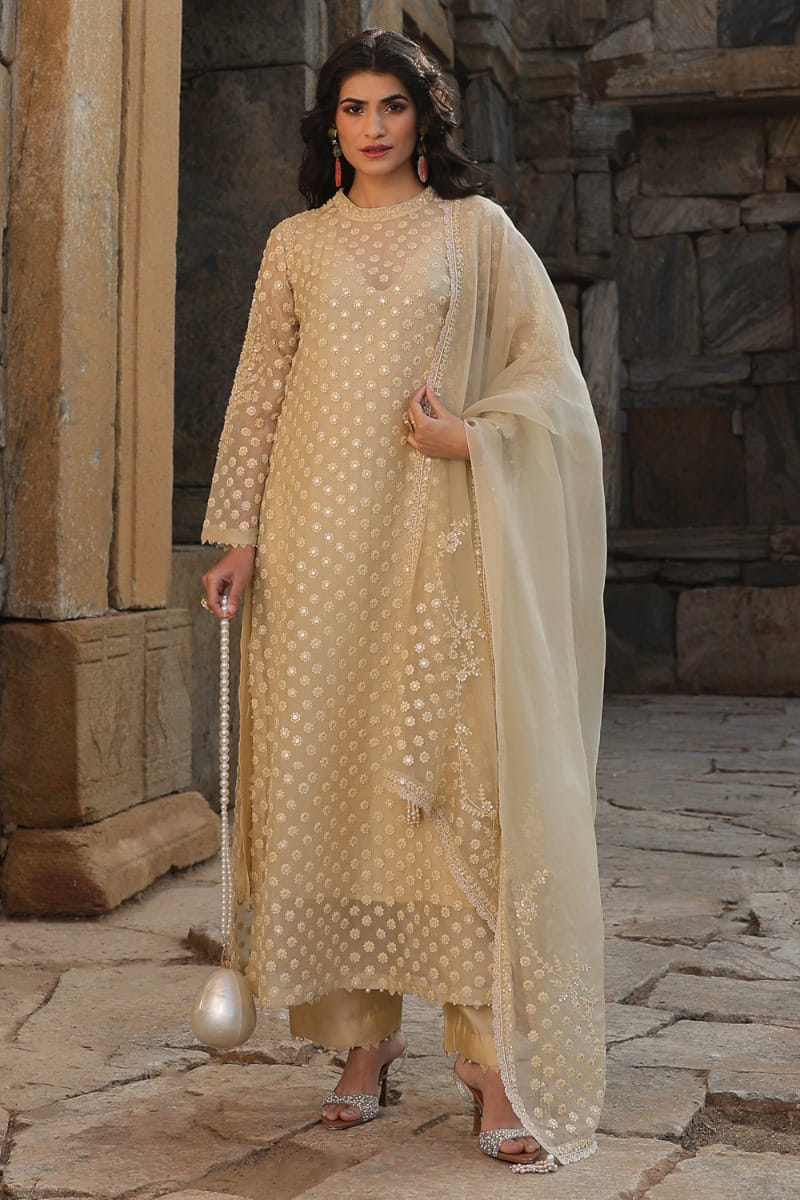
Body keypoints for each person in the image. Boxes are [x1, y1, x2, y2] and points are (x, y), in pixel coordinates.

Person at [201, 27, 606, 1172]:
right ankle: (360, 1043)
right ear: (328, 126)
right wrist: (237, 536)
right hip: (313, 550)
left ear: (422, 118)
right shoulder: (294, 244)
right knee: (327, 779)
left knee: (458, 790)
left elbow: (551, 381)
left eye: (391, 106)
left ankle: (486, 1061)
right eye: (352, 108)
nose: (372, 126)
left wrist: (472, 440)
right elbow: (258, 392)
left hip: (438, 541)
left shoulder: (476, 233)